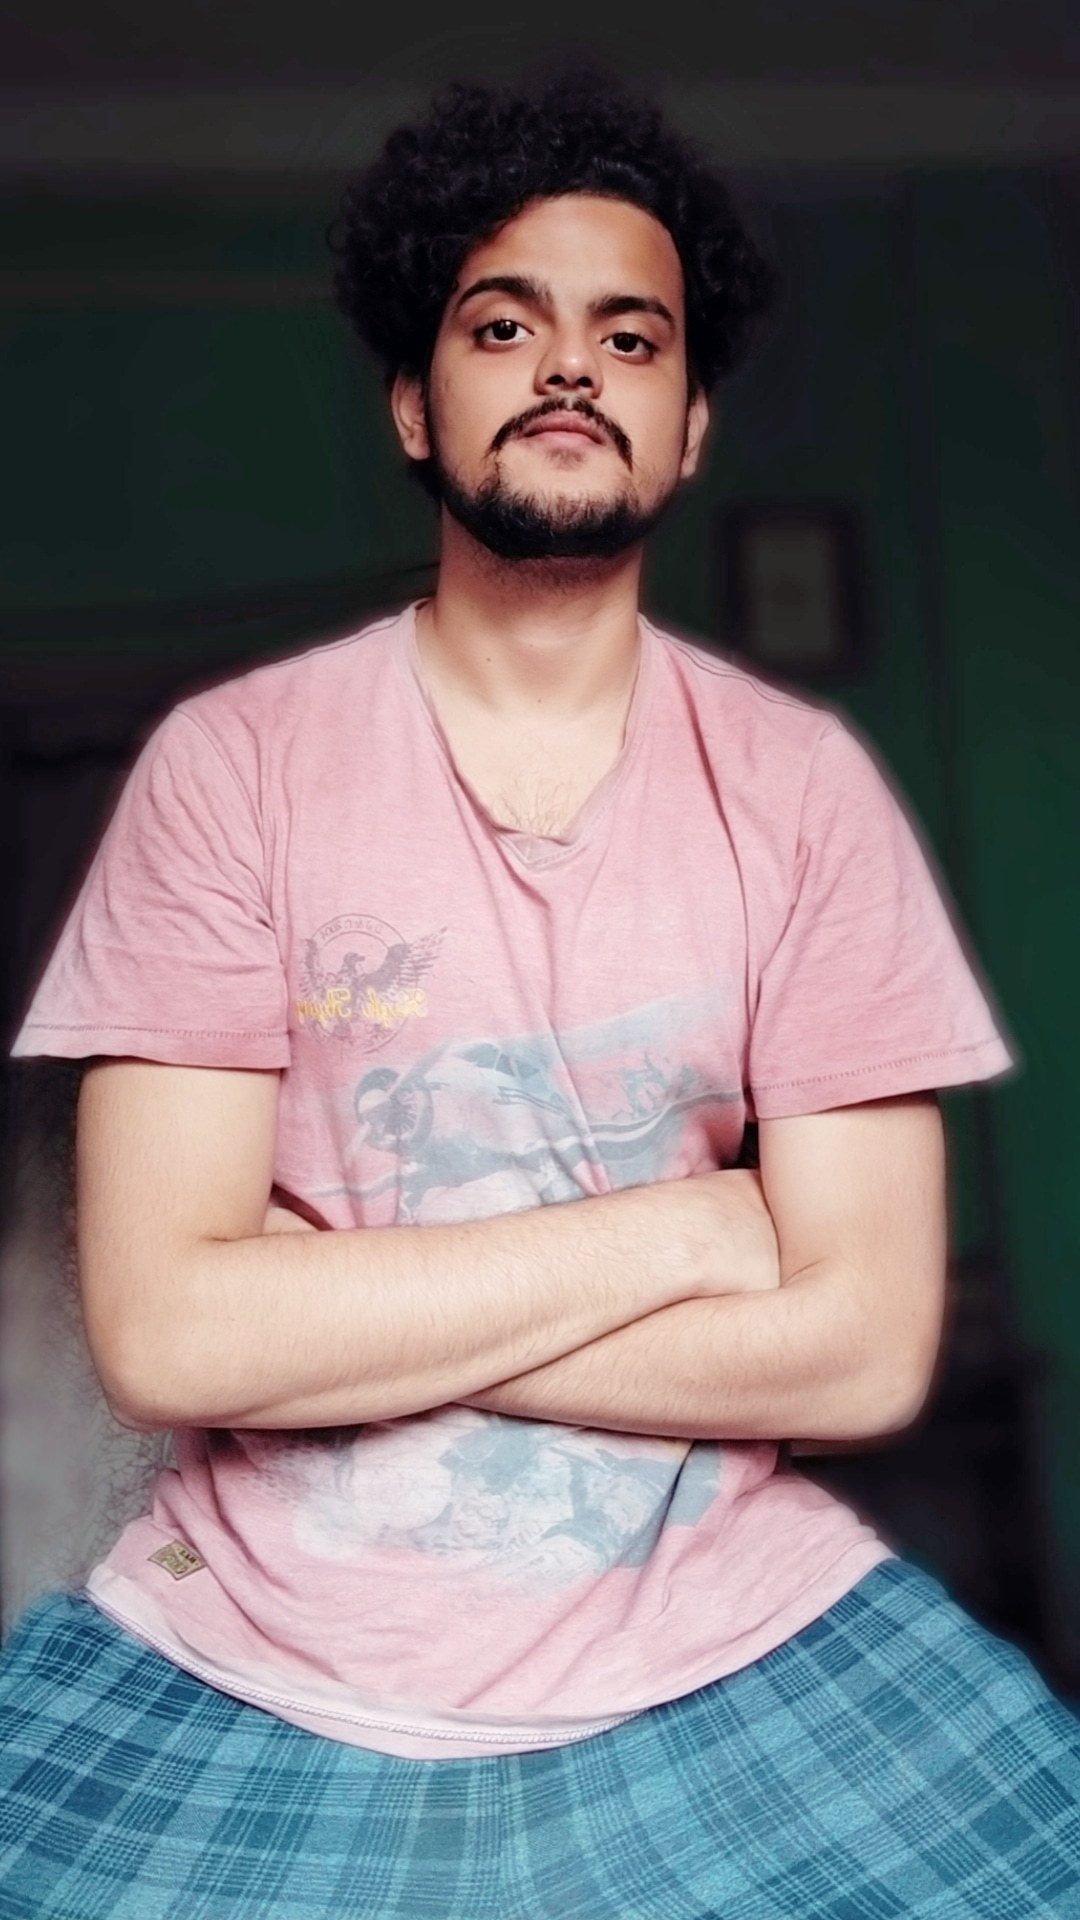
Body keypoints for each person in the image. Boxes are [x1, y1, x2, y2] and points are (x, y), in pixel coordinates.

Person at [3, 69, 1078, 1920]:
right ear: (414, 404)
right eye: (505, 325)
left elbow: (864, 1352)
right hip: (256, 1645)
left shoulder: (803, 791)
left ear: (690, 425)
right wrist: (704, 1230)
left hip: (736, 1628)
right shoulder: (229, 769)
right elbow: (168, 1338)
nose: (573, 365)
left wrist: (328, 1309)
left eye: (631, 337)